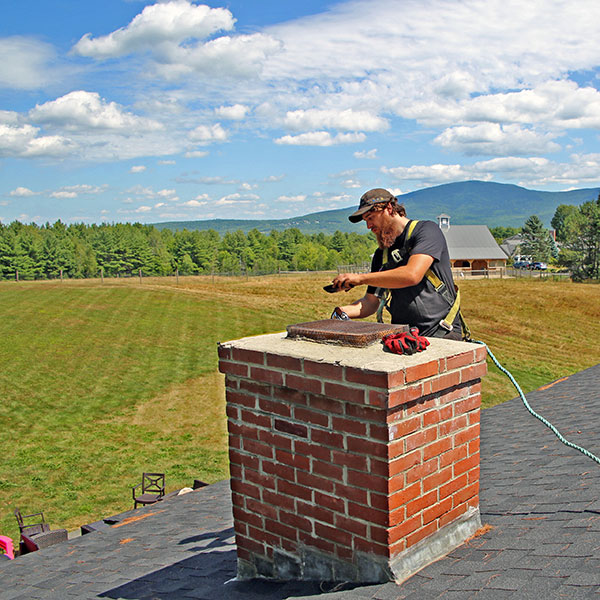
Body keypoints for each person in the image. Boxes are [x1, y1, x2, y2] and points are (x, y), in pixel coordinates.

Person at [329, 188, 465, 340]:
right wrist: (342, 312)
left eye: (370, 217)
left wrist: (360, 278)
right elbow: (370, 302)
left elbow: (412, 275)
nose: (368, 226)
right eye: (365, 221)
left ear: (388, 208)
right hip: (405, 337)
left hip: (441, 332)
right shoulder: (382, 254)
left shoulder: (426, 231)